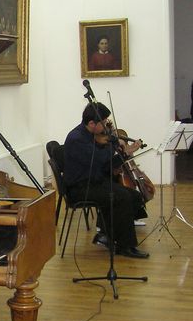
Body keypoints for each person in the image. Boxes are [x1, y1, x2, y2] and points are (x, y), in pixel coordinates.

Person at [63, 103, 149, 259]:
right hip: (80, 188)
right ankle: (125, 246)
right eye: (103, 123)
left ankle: (106, 234)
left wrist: (125, 152)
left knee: (134, 196)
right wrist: (116, 146)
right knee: (122, 197)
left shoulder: (89, 135)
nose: (105, 127)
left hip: (93, 181)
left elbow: (105, 165)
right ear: (91, 123)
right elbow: (100, 159)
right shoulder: (77, 138)